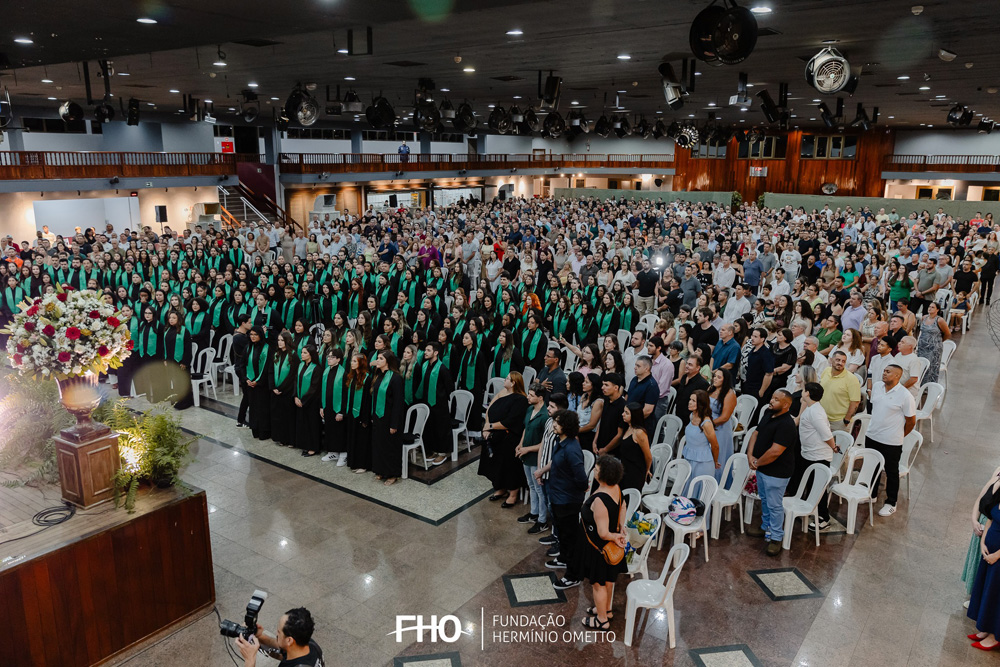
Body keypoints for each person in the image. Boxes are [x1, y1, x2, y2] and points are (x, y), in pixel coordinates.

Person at [535, 409, 588, 590]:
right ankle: (564, 558)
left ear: (567, 426)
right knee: (562, 534)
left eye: (558, 422)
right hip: (558, 496)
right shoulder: (560, 442)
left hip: (568, 501)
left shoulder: (572, 449)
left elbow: (581, 478)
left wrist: (576, 490)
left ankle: (573, 576)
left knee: (569, 537)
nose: (554, 424)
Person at [576, 454, 628, 632]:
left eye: (596, 469)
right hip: (611, 549)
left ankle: (602, 620)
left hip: (599, 549)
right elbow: (623, 505)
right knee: (609, 581)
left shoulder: (599, 501)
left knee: (598, 585)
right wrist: (621, 527)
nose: (594, 470)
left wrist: (615, 536)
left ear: (604, 475)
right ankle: (606, 610)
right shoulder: (616, 488)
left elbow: (603, 533)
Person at [746, 389, 800, 556]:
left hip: (777, 472)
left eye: (776, 399)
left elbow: (775, 452)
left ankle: (776, 537)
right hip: (762, 467)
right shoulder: (769, 413)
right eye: (772, 397)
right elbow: (755, 433)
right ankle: (765, 526)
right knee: (764, 499)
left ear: (786, 405)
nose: (771, 401)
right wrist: (750, 455)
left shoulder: (787, 425)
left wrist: (757, 462)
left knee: (775, 505)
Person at [866, 364, 917, 518]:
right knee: (872, 467)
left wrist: (899, 434)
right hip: (872, 435)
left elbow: (911, 421)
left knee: (891, 471)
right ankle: (871, 495)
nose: (884, 373)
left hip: (891, 441)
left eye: (888, 372)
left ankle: (891, 503)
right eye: (884, 371)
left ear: (897, 376)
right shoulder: (877, 387)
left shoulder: (905, 396)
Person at [479, 371, 530, 507]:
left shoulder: (520, 400)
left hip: (509, 436)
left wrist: (491, 426)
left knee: (508, 464)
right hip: (494, 434)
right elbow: (489, 408)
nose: (504, 380)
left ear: (513, 383)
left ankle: (513, 493)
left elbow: (511, 421)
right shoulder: (502, 392)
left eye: (507, 379)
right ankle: (500, 487)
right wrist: (486, 427)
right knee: (494, 463)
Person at [793, 382, 837, 530]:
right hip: (809, 454)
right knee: (810, 485)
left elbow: (826, 435)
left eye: (804, 390)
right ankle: (809, 509)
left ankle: (824, 518)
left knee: (818, 488)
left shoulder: (815, 413)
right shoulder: (811, 408)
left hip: (818, 456)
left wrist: (834, 447)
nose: (802, 391)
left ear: (807, 393)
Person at [967, 472, 1000, 651]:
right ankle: (986, 628)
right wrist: (982, 543)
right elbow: (990, 518)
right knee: (987, 590)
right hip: (989, 552)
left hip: (998, 557)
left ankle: (995, 636)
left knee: (996, 594)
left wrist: (997, 555)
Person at [233, 606, 324, 667]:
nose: (276, 634)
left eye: (279, 632)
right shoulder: (309, 644)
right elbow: (280, 646)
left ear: (289, 640)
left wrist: (250, 660)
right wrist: (259, 636)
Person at [963, 467, 1000, 608]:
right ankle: (974, 596)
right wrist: (974, 520)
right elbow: (980, 498)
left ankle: (980, 601)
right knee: (976, 563)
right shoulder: (997, 472)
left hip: (992, 528)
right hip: (981, 526)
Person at [516, 383, 550, 533]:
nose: (528, 397)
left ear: (540, 398)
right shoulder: (530, 409)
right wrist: (520, 444)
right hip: (526, 454)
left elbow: (544, 442)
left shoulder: (545, 416)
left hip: (537, 456)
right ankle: (534, 512)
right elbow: (526, 428)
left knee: (539, 489)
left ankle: (542, 520)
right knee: (531, 485)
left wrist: (527, 448)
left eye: (531, 395)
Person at [369, 350, 406, 485]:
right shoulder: (378, 375)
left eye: (380, 359)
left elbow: (398, 403)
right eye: (378, 358)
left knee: (391, 447)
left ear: (388, 362)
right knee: (379, 445)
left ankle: (392, 474)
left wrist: (394, 424)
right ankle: (380, 470)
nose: (377, 361)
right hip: (379, 417)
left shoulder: (396, 378)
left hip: (390, 418)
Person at [417, 341, 454, 466]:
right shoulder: (425, 365)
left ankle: (442, 453)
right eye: (425, 350)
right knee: (430, 428)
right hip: (427, 402)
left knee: (441, 428)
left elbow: (449, 387)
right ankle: (433, 450)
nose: (425, 352)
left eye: (428, 350)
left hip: (439, 403)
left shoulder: (442, 368)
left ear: (436, 353)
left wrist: (443, 400)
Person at [683, 389, 721, 492]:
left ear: (701, 404)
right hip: (689, 458)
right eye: (690, 399)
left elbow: (715, 445)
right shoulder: (691, 416)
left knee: (697, 491)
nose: (690, 402)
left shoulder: (706, 423)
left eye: (693, 401)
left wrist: (715, 461)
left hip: (702, 463)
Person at [819, 350, 861, 431]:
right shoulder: (826, 371)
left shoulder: (852, 379)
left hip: (839, 422)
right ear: (831, 360)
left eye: (843, 361)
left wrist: (847, 419)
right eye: (838, 360)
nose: (840, 363)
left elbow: (855, 402)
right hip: (822, 417)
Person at [320, 348, 349, 465]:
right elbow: (322, 390)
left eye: (332, 357)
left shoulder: (343, 373)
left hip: (338, 408)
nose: (329, 359)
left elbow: (345, 395)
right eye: (328, 357)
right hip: (327, 406)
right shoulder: (326, 371)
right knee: (329, 430)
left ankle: (343, 454)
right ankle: (333, 452)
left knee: (339, 431)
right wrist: (321, 406)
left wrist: (341, 411)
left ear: (338, 359)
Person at [345, 352, 372, 472]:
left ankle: (363, 465)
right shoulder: (352, 376)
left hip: (362, 414)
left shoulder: (367, 378)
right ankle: (354, 462)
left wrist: (365, 418)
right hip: (352, 413)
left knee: (361, 440)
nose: (352, 363)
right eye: (352, 361)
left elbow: (368, 400)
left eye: (355, 361)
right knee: (353, 438)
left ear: (361, 363)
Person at [708, 368, 737, 483]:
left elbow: (725, 417)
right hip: (708, 425)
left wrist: (708, 424)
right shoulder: (711, 389)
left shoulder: (729, 394)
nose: (715, 379)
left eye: (719, 377)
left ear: (725, 380)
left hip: (720, 428)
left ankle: (716, 483)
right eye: (715, 376)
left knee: (718, 456)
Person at [617, 402, 653, 494]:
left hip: (634, 472)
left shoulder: (639, 433)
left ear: (634, 416)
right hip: (624, 469)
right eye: (624, 411)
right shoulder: (628, 427)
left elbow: (648, 456)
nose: (623, 414)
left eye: (626, 413)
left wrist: (647, 470)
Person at [244, 325, 272, 441]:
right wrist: (246, 379)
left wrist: (258, 381)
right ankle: (255, 429)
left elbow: (267, 367)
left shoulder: (267, 348)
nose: (253, 337)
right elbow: (242, 364)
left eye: (256, 334)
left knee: (263, 408)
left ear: (261, 335)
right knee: (253, 407)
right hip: (250, 383)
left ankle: (264, 431)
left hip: (262, 385)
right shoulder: (248, 347)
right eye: (251, 334)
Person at [294, 345, 322, 457]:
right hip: (300, 400)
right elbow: (296, 381)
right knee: (303, 424)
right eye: (302, 352)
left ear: (311, 355)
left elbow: (314, 387)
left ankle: (313, 447)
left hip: (311, 402)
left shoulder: (317, 368)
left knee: (312, 425)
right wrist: (296, 396)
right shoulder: (300, 365)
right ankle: (305, 445)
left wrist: (303, 400)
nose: (302, 354)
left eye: (305, 353)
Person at [916, 301, 950, 384]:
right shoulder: (924, 318)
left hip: (933, 348)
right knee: (921, 365)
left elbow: (947, 333)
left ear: (937, 310)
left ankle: (929, 385)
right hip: (922, 347)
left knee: (931, 368)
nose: (930, 308)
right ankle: (920, 384)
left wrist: (937, 341)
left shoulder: (940, 320)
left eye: (932, 307)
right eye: (929, 307)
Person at [626, 356, 660, 434]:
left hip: (642, 425)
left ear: (646, 369)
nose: (635, 368)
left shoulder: (652, 386)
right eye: (635, 365)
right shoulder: (634, 379)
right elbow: (628, 396)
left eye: (638, 366)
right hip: (629, 419)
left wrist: (633, 420)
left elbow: (648, 410)